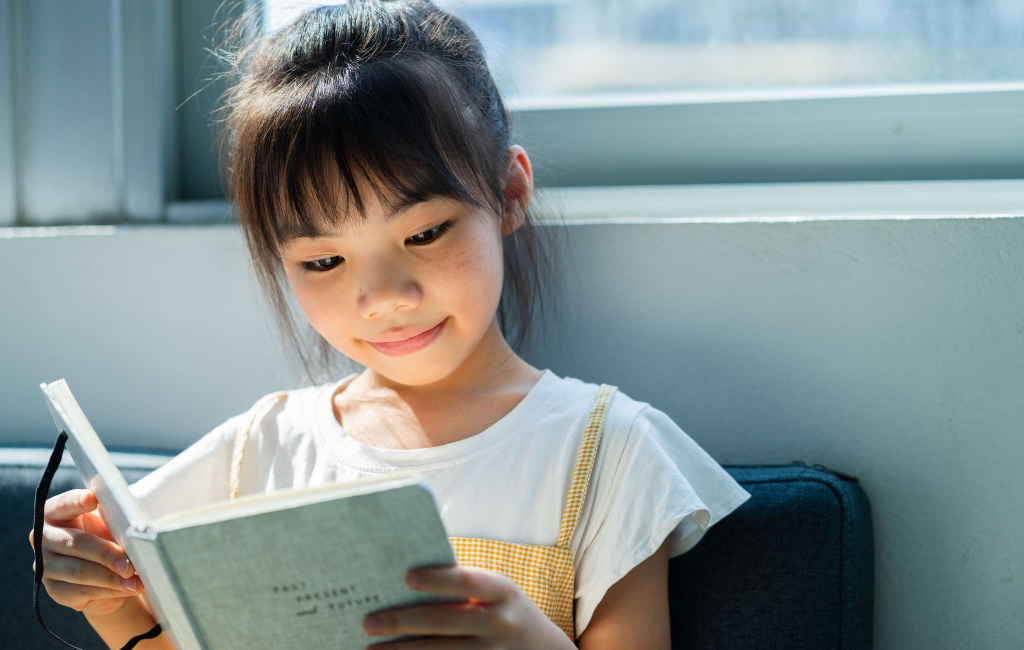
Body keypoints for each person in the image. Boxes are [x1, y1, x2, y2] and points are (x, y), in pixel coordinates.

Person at [28, 2, 751, 648]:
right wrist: (104, 595)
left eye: (426, 234)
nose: (383, 296)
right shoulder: (261, 451)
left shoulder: (607, 452)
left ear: (509, 193)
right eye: (324, 261)